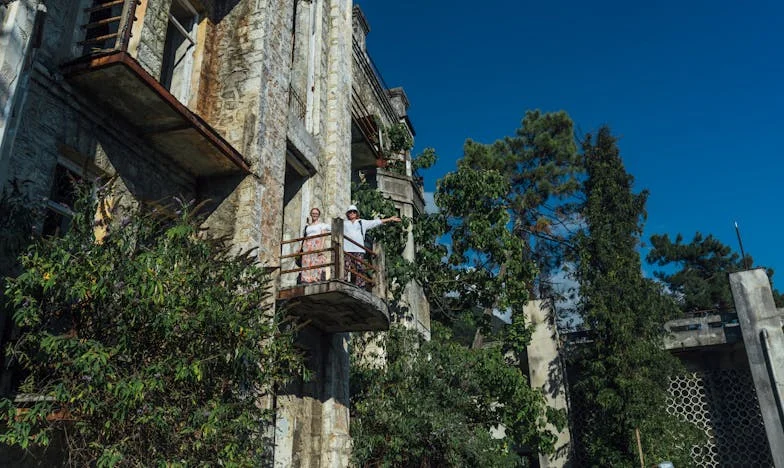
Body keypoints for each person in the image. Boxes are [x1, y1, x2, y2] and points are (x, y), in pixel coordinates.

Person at [343, 204, 400, 287]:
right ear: (347, 214)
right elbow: (331, 227)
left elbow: (376, 222)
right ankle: (344, 281)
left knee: (359, 267)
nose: (352, 213)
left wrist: (390, 219)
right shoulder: (344, 223)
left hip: (359, 249)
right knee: (346, 266)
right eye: (350, 212)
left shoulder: (362, 222)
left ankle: (360, 285)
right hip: (347, 248)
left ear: (356, 213)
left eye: (354, 212)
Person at [300, 207, 331, 283]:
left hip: (316, 243)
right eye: (313, 213)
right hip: (308, 244)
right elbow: (305, 237)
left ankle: (315, 278)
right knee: (307, 261)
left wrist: (321, 247)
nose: (314, 215)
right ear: (311, 214)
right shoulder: (308, 226)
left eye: (316, 213)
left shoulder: (321, 225)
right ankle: (306, 279)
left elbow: (323, 236)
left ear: (319, 215)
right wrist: (301, 247)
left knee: (316, 261)